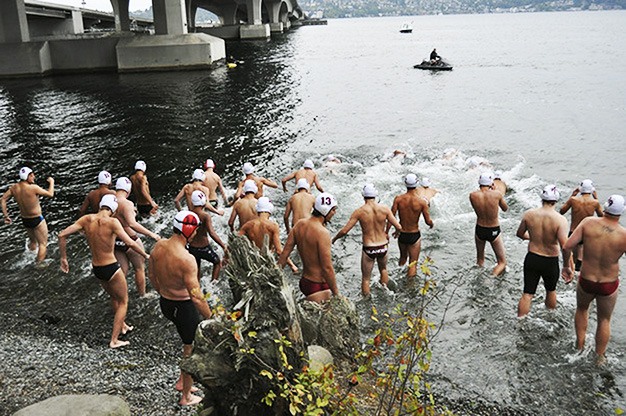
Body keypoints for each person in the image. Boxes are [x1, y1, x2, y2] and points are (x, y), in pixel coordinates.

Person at [59, 194, 149, 348]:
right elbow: (130, 243)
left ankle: (123, 325)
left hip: (97, 268)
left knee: (114, 297)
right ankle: (114, 340)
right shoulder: (113, 222)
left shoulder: (86, 219)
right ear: (113, 210)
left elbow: (62, 235)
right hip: (111, 267)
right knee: (123, 301)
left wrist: (64, 258)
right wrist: (146, 255)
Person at [149, 210, 213, 406]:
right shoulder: (186, 259)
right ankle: (186, 396)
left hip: (166, 304)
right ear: (188, 230)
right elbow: (197, 297)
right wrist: (212, 318)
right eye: (194, 230)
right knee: (190, 351)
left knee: (187, 344)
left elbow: (151, 276)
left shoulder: (158, 246)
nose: (195, 234)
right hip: (183, 308)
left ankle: (181, 382)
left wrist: (165, 293)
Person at [562, 195, 626, 365]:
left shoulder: (588, 223)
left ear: (605, 207)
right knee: (604, 320)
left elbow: (567, 246)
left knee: (582, 309)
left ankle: (579, 346)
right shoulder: (623, 234)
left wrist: (566, 267)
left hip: (587, 279)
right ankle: (599, 357)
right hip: (608, 284)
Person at [333, 184, 401, 296]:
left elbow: (345, 231)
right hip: (383, 246)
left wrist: (334, 239)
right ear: (375, 195)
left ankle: (367, 302)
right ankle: (386, 295)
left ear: (363, 196)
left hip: (369, 248)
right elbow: (398, 226)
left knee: (366, 279)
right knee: (383, 269)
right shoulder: (384, 209)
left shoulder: (359, 211)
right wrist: (396, 233)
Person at [516, 185, 569, 317]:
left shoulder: (529, 214)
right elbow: (565, 246)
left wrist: (533, 238)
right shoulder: (560, 220)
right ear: (556, 200)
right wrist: (567, 265)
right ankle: (549, 318)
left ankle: (520, 321)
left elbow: (520, 233)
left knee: (527, 293)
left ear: (542, 198)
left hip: (532, 257)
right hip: (550, 261)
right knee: (551, 290)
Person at [278, 193, 340, 303]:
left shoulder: (299, 225)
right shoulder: (323, 233)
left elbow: (284, 254)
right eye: (333, 210)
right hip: (319, 286)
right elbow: (327, 268)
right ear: (325, 211)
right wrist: (337, 294)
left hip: (305, 282)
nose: (334, 213)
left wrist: (276, 277)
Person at [114, 177, 161, 297]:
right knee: (139, 268)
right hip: (130, 238)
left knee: (122, 271)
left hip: (116, 240)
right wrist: (151, 234)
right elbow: (132, 224)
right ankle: (142, 295)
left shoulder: (109, 201)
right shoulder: (127, 203)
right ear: (128, 190)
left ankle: (120, 296)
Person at [1, 167, 54, 264]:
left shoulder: (14, 188)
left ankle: (29, 258)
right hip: (37, 219)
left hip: (25, 220)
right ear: (28, 176)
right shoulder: (33, 188)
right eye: (32, 175)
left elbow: (3, 199)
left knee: (33, 242)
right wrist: (51, 182)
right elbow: (50, 194)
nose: (34, 177)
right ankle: (39, 265)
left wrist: (6, 216)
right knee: (43, 244)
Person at [389, 174, 433, 279]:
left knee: (403, 258)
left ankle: (397, 279)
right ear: (417, 184)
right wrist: (432, 224)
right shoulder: (422, 202)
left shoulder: (398, 199)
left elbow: (391, 217)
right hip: (414, 235)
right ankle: (409, 287)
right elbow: (428, 221)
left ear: (405, 184)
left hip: (402, 234)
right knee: (413, 263)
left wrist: (388, 231)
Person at [240, 197, 298, 273]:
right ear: (270, 209)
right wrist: (292, 265)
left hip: (253, 261)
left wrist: (226, 257)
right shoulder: (273, 226)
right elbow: (279, 251)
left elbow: (235, 240)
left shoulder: (248, 225)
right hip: (267, 261)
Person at [469, 172, 509, 276]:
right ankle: (492, 277)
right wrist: (496, 191)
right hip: (493, 230)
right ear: (491, 183)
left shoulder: (472, 195)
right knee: (502, 262)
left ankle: (479, 278)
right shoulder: (496, 194)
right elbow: (505, 209)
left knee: (480, 261)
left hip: (479, 229)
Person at [559, 179, 603, 271]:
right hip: (586, 234)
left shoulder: (573, 200)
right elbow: (602, 217)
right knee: (582, 262)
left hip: (573, 232)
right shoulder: (595, 203)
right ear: (591, 190)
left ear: (580, 189)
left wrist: (572, 195)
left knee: (571, 262)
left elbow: (562, 211)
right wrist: (596, 199)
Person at [188, 190, 226, 282]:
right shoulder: (205, 216)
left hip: (192, 248)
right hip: (203, 247)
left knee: (196, 270)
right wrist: (223, 245)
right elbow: (212, 233)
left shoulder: (189, 214)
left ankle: (197, 288)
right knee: (217, 262)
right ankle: (212, 285)